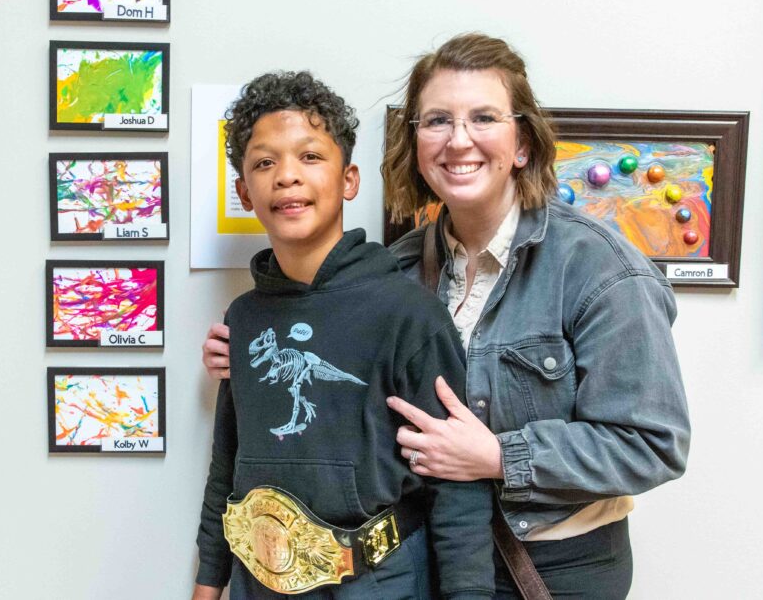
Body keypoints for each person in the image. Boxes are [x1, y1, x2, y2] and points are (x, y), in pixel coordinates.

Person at [201, 34, 691, 599]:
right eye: (437, 121)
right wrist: (249, 349)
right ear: (415, 144)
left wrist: (498, 457)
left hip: (554, 569)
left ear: (523, 143)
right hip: (434, 560)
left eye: (483, 117)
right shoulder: (397, 269)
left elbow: (652, 443)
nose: (459, 140)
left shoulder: (597, 268)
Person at [193, 71, 495, 600]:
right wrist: (208, 583)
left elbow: (457, 490)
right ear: (244, 192)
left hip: (379, 582)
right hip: (256, 580)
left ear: (349, 180)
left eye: (310, 157)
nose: (287, 177)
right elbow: (227, 465)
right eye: (265, 163)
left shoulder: (408, 314)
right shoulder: (243, 319)